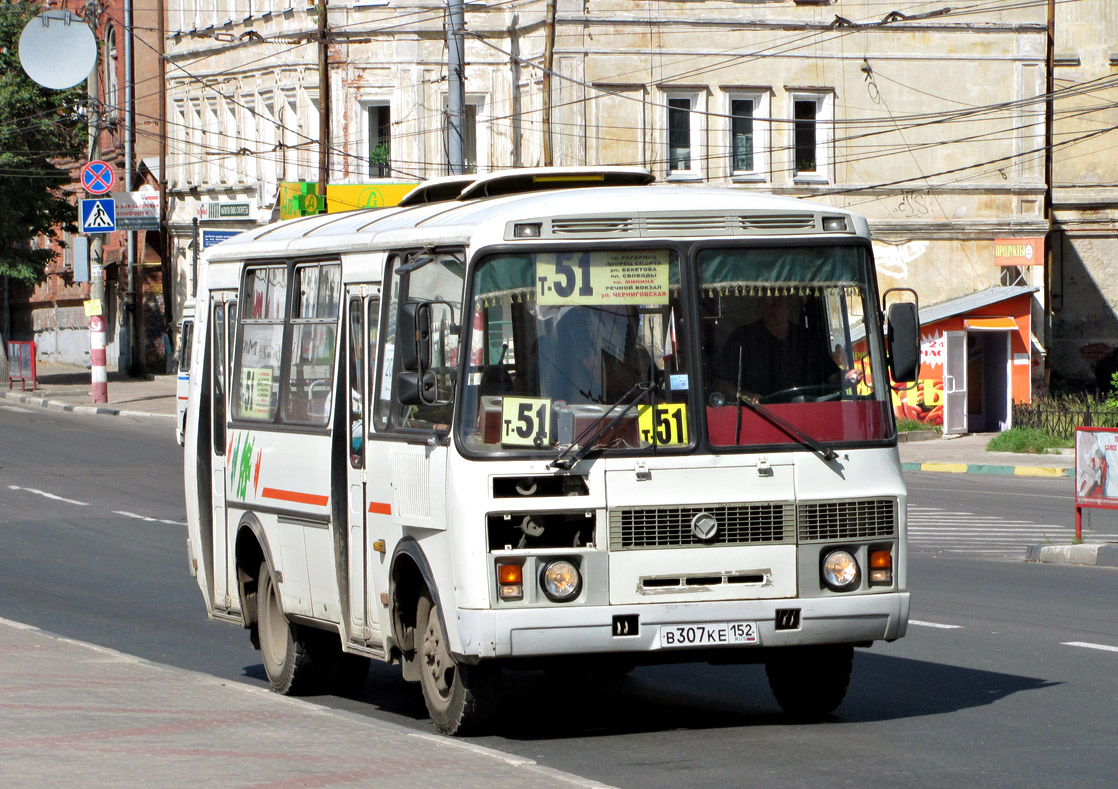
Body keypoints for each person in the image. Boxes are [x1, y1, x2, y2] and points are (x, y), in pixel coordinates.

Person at [710, 293, 861, 402]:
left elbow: (832, 377)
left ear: (789, 303)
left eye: (775, 302)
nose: (770, 308)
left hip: (809, 417)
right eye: (765, 303)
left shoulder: (808, 339)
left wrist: (847, 377)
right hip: (757, 418)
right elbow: (719, 384)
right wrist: (747, 396)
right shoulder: (741, 339)